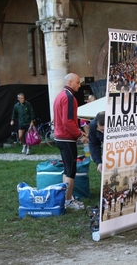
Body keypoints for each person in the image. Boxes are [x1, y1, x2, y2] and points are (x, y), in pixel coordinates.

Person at [54, 73, 88, 210]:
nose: (79, 85)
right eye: (78, 82)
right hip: (66, 138)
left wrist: (79, 132)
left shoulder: (60, 95)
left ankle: (66, 198)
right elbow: (67, 121)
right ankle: (68, 201)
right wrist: (80, 135)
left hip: (59, 137)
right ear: (70, 82)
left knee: (67, 170)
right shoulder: (69, 97)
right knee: (71, 171)